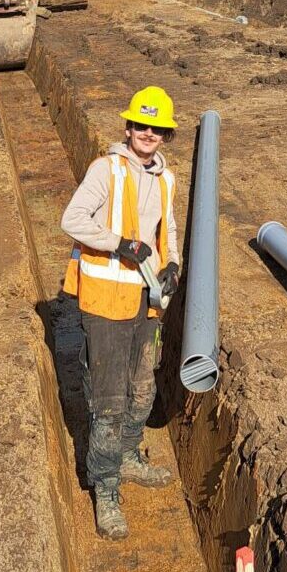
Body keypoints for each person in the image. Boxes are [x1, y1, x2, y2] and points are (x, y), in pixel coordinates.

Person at [61, 86, 181, 539]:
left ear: (164, 136)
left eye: (156, 128)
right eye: (140, 125)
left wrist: (172, 266)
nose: (147, 134)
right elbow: (71, 219)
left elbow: (166, 228)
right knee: (108, 403)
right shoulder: (106, 169)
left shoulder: (166, 179)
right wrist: (121, 244)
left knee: (142, 389)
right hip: (106, 303)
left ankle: (128, 457)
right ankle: (106, 489)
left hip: (146, 302)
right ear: (128, 127)